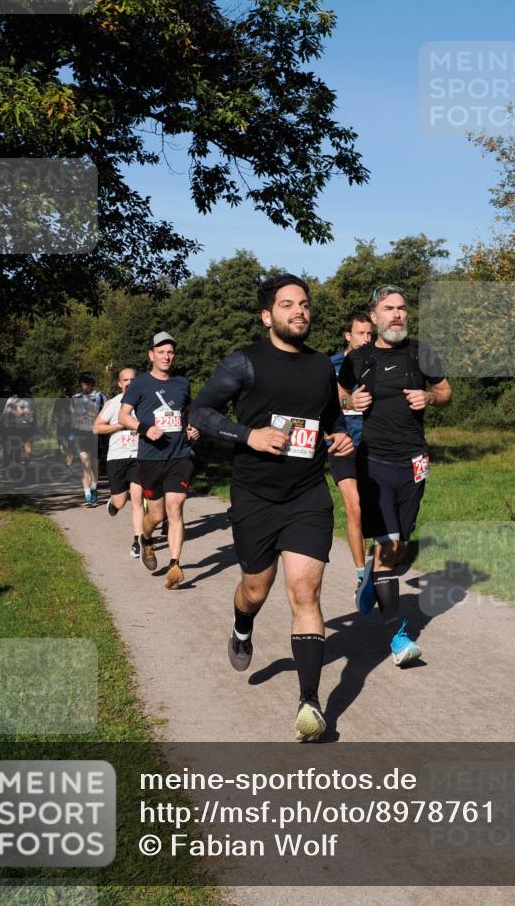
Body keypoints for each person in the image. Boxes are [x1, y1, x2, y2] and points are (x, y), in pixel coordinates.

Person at [190, 274, 353, 742]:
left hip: (306, 495)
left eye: (304, 303)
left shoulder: (323, 364)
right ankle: (243, 625)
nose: (299, 311)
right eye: (287, 305)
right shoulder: (245, 362)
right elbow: (200, 412)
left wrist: (338, 435)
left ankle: (310, 704)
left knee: (305, 594)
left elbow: (333, 418)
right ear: (268, 317)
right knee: (256, 590)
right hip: (255, 497)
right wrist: (249, 436)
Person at [337, 284, 451, 666]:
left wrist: (430, 398)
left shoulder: (422, 353)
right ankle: (397, 637)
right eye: (388, 309)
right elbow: (334, 396)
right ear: (374, 316)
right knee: (388, 547)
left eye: (402, 308)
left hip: (415, 461)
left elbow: (446, 392)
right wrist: (350, 400)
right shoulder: (360, 358)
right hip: (374, 462)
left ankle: (373, 576)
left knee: (399, 547)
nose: (397, 315)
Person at [119, 332, 199, 587]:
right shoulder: (139, 384)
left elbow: (186, 414)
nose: (166, 356)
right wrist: (144, 429)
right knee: (156, 515)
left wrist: (192, 428)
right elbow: (123, 416)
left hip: (179, 456)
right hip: (151, 458)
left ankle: (175, 565)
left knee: (175, 508)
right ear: (151, 355)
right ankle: (146, 538)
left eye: (170, 352)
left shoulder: (182, 383)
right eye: (161, 352)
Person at [329, 311, 373, 583]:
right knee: (354, 506)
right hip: (342, 444)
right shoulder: (329, 365)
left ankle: (381, 562)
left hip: (374, 445)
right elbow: (321, 404)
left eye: (370, 334)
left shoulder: (378, 363)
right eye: (360, 334)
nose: (366, 339)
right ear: (348, 335)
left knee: (376, 508)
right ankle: (361, 574)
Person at [93, 368, 144, 558]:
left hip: (139, 456)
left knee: (137, 500)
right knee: (121, 501)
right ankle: (114, 502)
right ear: (119, 383)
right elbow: (96, 428)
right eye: (126, 380)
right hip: (117, 457)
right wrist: (118, 426)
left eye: (133, 379)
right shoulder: (113, 404)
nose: (130, 383)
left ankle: (137, 541)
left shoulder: (145, 401)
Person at [70, 373, 107, 506]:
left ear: (92, 383)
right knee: (85, 463)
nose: (86, 385)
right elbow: (73, 417)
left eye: (89, 382)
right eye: (84, 382)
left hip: (96, 433)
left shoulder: (100, 396)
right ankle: (87, 495)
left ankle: (94, 489)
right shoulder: (75, 398)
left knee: (94, 465)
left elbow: (107, 413)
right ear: (80, 384)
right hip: (81, 433)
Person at [1, 381, 37, 474]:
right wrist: (14, 414)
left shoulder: (30, 399)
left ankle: (25, 465)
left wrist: (35, 424)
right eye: (19, 386)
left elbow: (35, 412)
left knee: (29, 447)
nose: (21, 387)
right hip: (15, 427)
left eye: (23, 385)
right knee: (16, 449)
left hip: (28, 426)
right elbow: (5, 413)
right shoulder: (12, 399)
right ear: (17, 387)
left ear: (26, 387)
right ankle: (17, 469)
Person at [51, 384, 74, 468]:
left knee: (71, 443)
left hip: (71, 427)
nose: (67, 393)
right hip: (61, 427)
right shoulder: (58, 401)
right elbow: (54, 414)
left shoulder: (74, 400)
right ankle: (61, 453)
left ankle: (69, 463)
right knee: (61, 444)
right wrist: (56, 419)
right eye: (65, 391)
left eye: (68, 391)